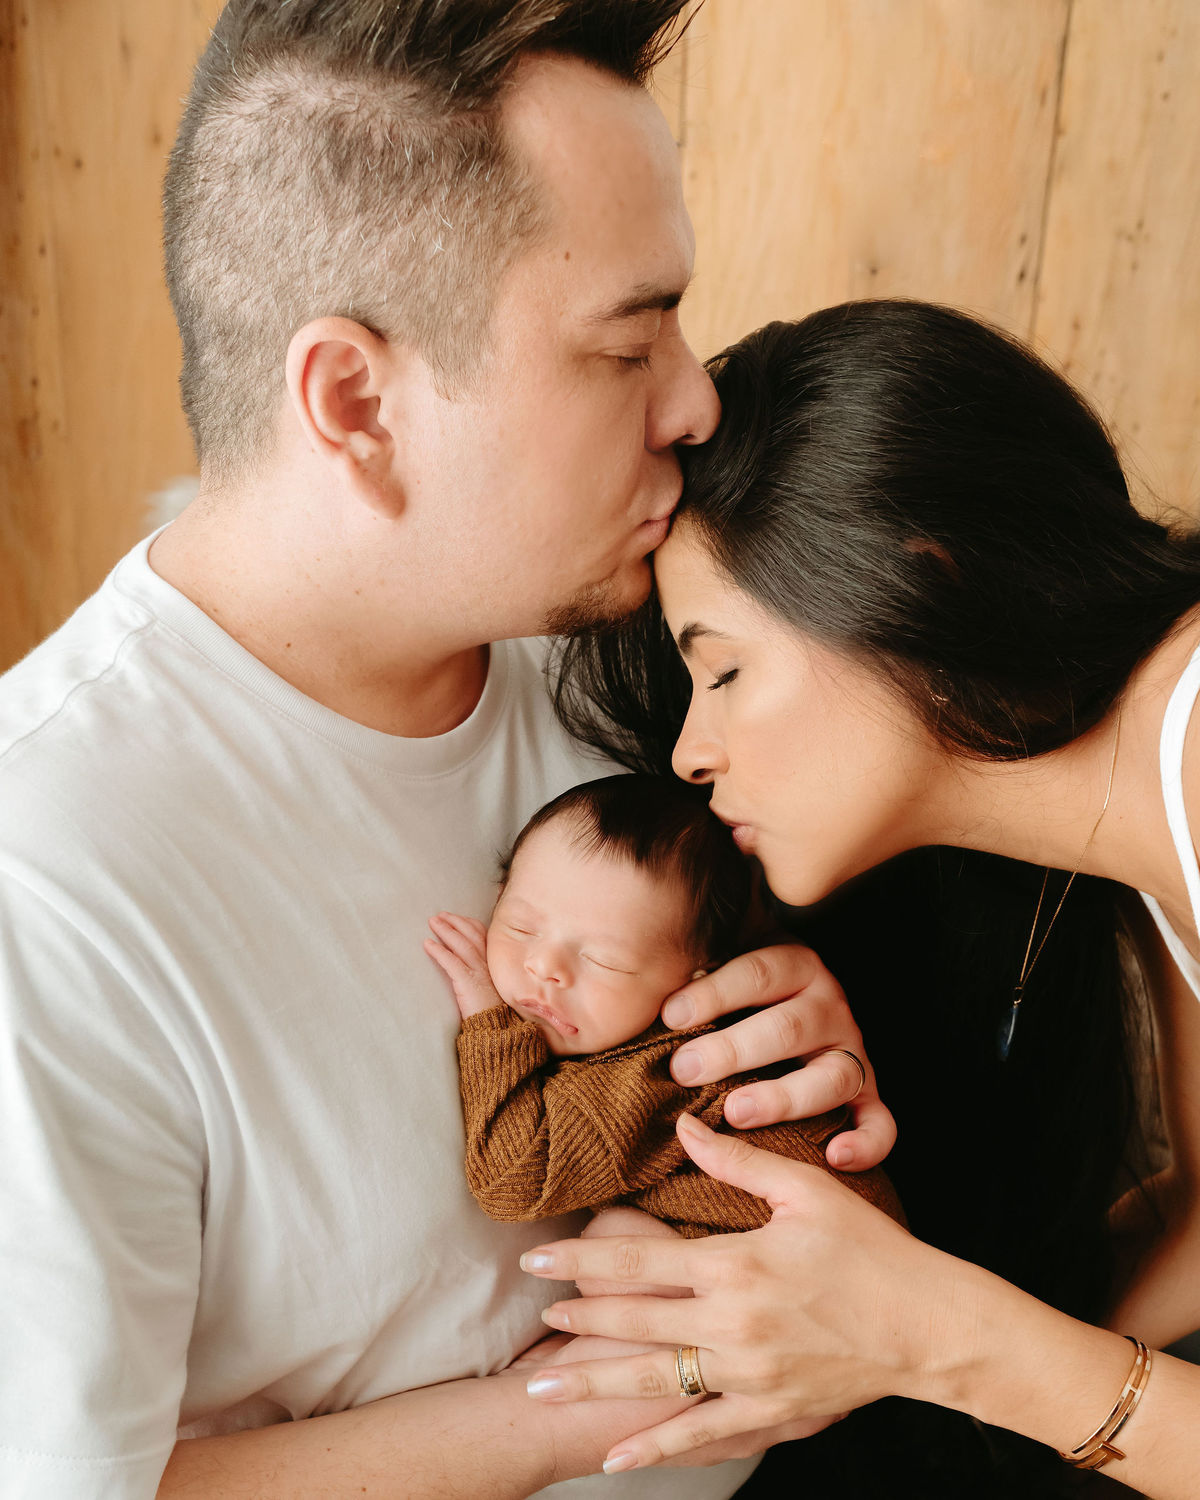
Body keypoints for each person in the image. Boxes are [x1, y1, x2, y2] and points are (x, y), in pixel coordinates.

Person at [0, 6, 892, 1498]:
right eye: (628, 342)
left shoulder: (631, 647)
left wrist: (783, 1093)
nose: (697, 399)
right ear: (356, 403)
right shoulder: (54, 875)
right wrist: (633, 1386)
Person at [517, 300, 1200, 1497]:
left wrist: (931, 1335)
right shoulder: (1128, 839)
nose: (690, 752)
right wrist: (871, 1337)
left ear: (917, 575)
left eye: (723, 667)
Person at [426, 774, 904, 1235]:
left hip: (817, 1266)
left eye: (605, 961)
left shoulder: (654, 1077)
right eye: (521, 927)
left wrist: (489, 1020)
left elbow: (510, 1181)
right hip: (855, 1247)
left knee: (614, 1236)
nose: (545, 965)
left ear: (695, 980)